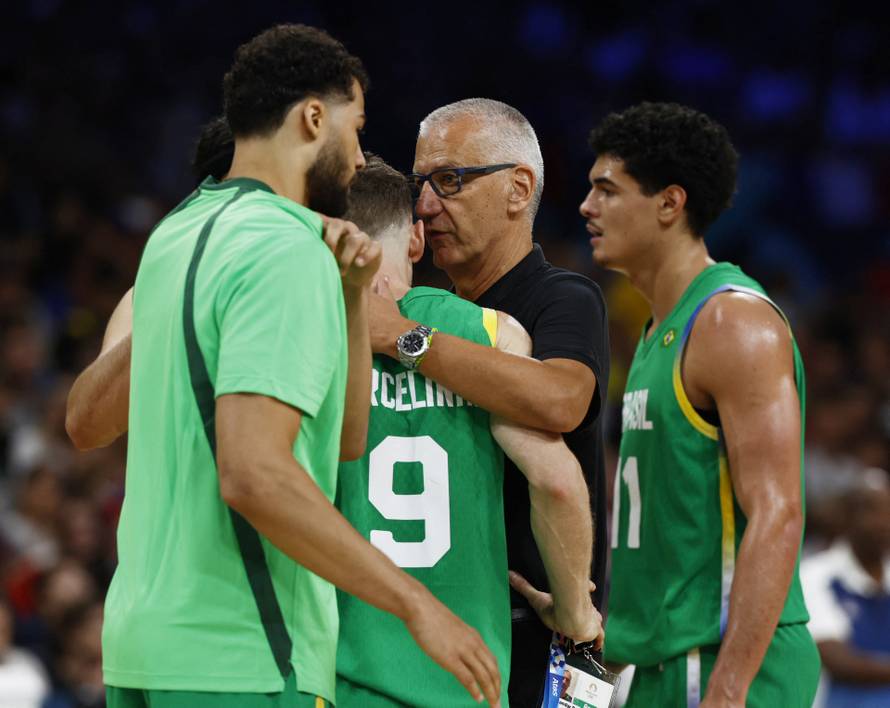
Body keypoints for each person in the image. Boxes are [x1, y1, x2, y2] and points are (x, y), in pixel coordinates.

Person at [67, 24, 500, 708]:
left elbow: (346, 443)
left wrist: (354, 297)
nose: (361, 159)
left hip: (142, 651)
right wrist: (416, 604)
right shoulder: (284, 248)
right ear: (313, 118)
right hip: (247, 655)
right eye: (356, 130)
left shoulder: (175, 238)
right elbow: (255, 474)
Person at [335, 155, 602, 706]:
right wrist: (575, 610)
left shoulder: (303, 333)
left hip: (339, 678)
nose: (432, 204)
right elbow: (556, 482)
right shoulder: (488, 331)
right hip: (469, 680)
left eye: (450, 181)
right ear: (413, 242)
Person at [580, 101, 820, 707]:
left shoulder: (731, 322)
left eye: (607, 190)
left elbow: (779, 511)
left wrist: (730, 688)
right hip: (663, 658)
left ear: (669, 203)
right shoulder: (657, 328)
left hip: (721, 662)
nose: (587, 207)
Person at [800, 468, 890, 708]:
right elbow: (837, 661)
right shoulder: (815, 575)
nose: (884, 522)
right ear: (847, 518)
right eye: (873, 510)